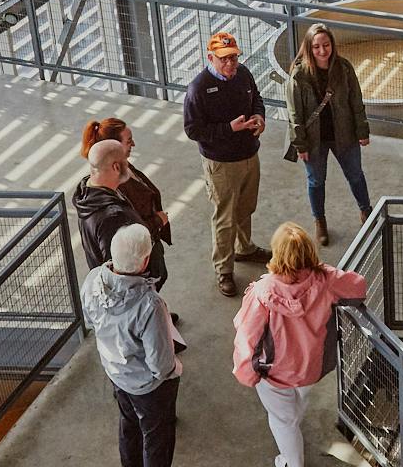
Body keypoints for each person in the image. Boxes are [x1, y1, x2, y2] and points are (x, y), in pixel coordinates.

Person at [231, 222, 368, 467]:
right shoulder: (326, 280)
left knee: (283, 420)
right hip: (310, 368)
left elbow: (247, 337)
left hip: (275, 372)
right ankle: (295, 427)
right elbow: (358, 287)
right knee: (298, 403)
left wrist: (247, 373)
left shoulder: (262, 292)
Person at [80, 224, 196, 467]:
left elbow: (90, 318)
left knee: (128, 427)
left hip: (116, 373)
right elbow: (161, 363)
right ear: (145, 262)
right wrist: (173, 372)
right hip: (149, 386)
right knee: (156, 441)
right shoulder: (150, 304)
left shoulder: (94, 280)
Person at [182, 30, 269, 298]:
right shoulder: (198, 89)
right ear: (210, 57)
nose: (231, 64)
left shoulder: (243, 74)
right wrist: (228, 129)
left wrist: (259, 117)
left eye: (233, 57)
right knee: (224, 218)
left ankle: (245, 248)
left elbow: (257, 98)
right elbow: (193, 130)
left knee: (246, 207)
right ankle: (224, 269)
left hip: (249, 155)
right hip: (221, 164)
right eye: (224, 59)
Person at [285, 23, 372, 247]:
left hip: (344, 134)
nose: (322, 51)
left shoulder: (343, 68)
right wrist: (300, 144)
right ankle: (320, 220)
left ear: (332, 44)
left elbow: (356, 101)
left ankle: (366, 211)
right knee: (316, 180)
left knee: (355, 174)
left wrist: (362, 130)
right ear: (309, 48)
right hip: (314, 139)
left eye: (326, 45)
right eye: (316, 47)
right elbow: (294, 113)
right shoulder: (299, 75)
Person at [73, 137, 169, 289]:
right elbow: (120, 269)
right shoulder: (113, 217)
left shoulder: (89, 190)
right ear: (116, 167)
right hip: (134, 293)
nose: (129, 164)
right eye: (126, 160)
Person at [81, 117, 172, 247]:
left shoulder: (124, 165)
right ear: (114, 147)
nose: (133, 144)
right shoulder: (117, 183)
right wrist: (158, 221)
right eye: (128, 141)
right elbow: (130, 234)